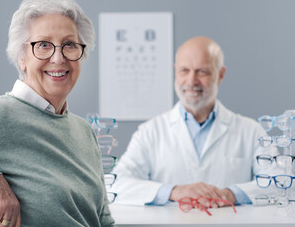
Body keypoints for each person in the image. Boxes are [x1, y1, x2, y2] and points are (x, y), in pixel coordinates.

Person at [0, 0, 115, 227]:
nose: (58, 57)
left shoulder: (84, 131)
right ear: (22, 57)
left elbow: (102, 219)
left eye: (69, 45)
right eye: (43, 45)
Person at [110, 36, 278, 207]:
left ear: (221, 74)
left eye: (202, 71)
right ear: (175, 71)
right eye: (184, 70)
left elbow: (281, 184)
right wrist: (173, 191)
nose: (191, 81)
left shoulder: (251, 131)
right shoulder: (150, 131)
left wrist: (230, 194)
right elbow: (117, 185)